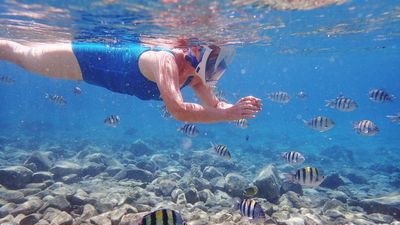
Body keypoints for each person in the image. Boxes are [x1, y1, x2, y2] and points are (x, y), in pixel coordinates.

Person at [0, 40, 262, 123]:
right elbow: (178, 110)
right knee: (22, 55)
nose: (218, 67)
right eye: (216, 59)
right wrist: (227, 115)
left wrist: (237, 107)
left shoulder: (194, 74)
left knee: (23, 56)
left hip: (96, 72)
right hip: (85, 62)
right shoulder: (166, 62)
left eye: (221, 62)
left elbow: (215, 103)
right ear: (197, 52)